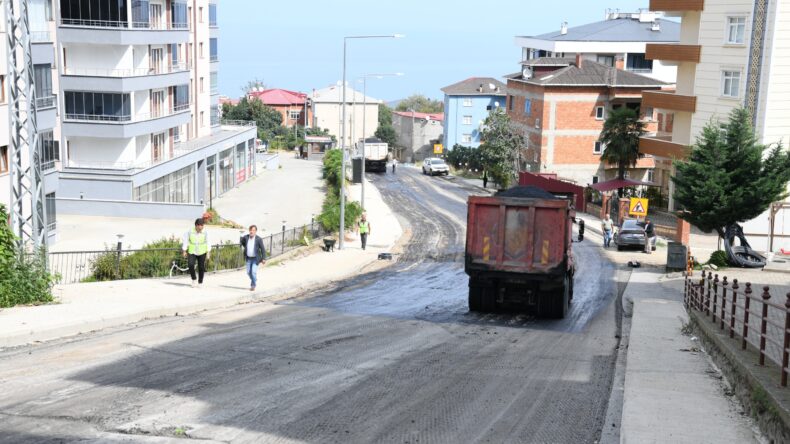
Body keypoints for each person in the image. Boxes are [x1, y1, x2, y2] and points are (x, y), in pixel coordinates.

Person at [182, 218, 209, 287]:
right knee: (190, 264)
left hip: (202, 251)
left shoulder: (205, 232)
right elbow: (185, 240)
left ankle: (200, 282)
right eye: (199, 227)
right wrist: (184, 250)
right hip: (192, 251)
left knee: (201, 267)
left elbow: (208, 242)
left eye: (202, 226)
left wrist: (208, 252)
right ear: (196, 226)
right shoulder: (190, 231)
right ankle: (194, 279)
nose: (201, 228)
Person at [240, 225, 266, 291]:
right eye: (251, 230)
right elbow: (242, 242)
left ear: (255, 231)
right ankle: (254, 279)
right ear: (249, 231)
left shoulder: (258, 239)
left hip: (255, 259)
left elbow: (262, 249)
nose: (252, 231)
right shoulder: (246, 237)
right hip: (248, 258)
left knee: (253, 272)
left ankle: (253, 285)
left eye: (253, 230)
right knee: (249, 272)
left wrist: (264, 258)